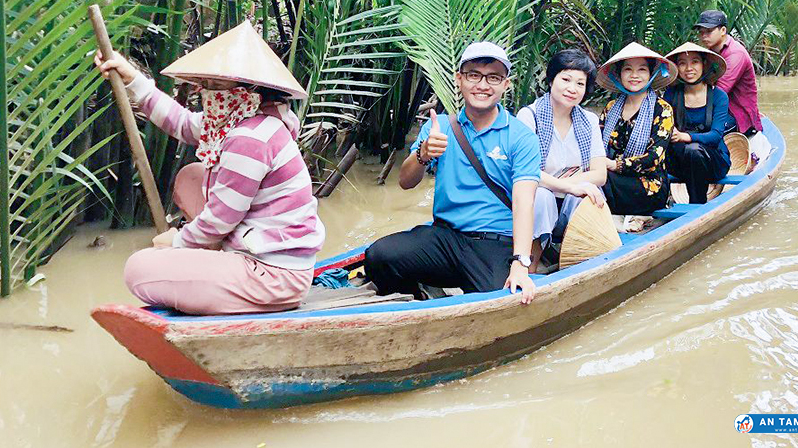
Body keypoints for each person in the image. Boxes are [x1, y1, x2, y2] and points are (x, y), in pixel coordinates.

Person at [94, 21, 325, 315]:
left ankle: (229, 281)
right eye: (208, 84)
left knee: (138, 269)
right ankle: (216, 262)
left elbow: (221, 220)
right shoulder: (237, 118)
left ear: (251, 89)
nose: (208, 92)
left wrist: (176, 242)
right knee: (191, 176)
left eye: (218, 85)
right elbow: (181, 122)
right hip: (255, 245)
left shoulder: (250, 138)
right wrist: (133, 79)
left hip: (274, 275)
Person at [363, 42, 541, 304]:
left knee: (499, 303)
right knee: (379, 256)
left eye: (494, 77)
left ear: (506, 85)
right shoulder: (440, 127)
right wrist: (424, 153)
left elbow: (524, 203)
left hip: (495, 244)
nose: (483, 85)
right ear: (459, 80)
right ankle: (418, 299)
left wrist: (520, 263)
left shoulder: (521, 137)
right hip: (445, 237)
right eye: (474, 75)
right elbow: (405, 182)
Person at [517, 49, 607, 268]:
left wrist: (566, 187)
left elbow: (600, 174)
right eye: (565, 79)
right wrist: (568, 185)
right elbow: (526, 172)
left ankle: (577, 263)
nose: (572, 89)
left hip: (570, 199)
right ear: (551, 80)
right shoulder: (529, 116)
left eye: (580, 83)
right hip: (539, 196)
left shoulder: (589, 120)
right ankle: (530, 266)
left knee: (591, 196)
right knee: (540, 196)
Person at [596, 42, 677, 215]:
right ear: (619, 74)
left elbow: (654, 157)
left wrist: (614, 165)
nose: (634, 75)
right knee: (591, 175)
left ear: (651, 74)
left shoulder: (662, 109)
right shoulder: (611, 108)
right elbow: (596, 144)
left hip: (649, 185)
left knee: (601, 178)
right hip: (613, 179)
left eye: (641, 69)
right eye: (627, 69)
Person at [663, 42, 731, 204]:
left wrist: (686, 137)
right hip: (680, 162)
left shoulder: (719, 96)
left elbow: (715, 136)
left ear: (704, 65)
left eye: (695, 62)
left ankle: (697, 204)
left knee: (694, 150)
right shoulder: (671, 94)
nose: (689, 68)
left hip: (713, 161)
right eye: (682, 63)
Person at [695, 10, 763, 136]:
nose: (704, 36)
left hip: (737, 114)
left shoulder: (735, 54)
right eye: (701, 32)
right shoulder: (710, 52)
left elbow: (720, 91)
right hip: (717, 108)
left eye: (709, 31)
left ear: (723, 31)